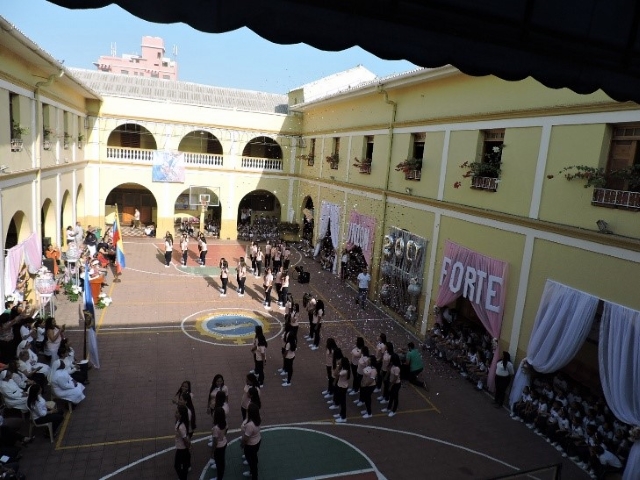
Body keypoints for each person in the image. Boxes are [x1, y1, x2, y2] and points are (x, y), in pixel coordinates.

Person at [241, 403, 261, 480]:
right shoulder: (258, 419)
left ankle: (253, 475)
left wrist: (242, 444)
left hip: (251, 445)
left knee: (251, 461)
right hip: (257, 441)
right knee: (254, 457)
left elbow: (246, 438)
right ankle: (253, 470)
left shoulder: (250, 425)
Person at [208, 406, 228, 479]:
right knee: (221, 460)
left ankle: (219, 478)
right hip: (224, 442)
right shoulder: (224, 423)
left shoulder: (215, 428)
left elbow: (215, 442)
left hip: (219, 446)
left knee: (219, 463)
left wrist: (212, 452)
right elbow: (225, 431)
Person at [174, 404, 191, 480]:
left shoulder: (181, 427)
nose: (175, 413)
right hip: (181, 448)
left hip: (182, 449)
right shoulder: (179, 422)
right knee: (183, 465)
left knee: (178, 466)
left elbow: (185, 440)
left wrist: (188, 445)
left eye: (177, 412)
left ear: (181, 415)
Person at [333, 357, 350, 423]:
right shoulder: (344, 369)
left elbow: (335, 374)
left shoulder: (344, 371)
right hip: (341, 386)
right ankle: (341, 414)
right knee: (341, 401)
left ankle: (343, 417)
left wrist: (337, 366)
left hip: (342, 387)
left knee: (343, 403)